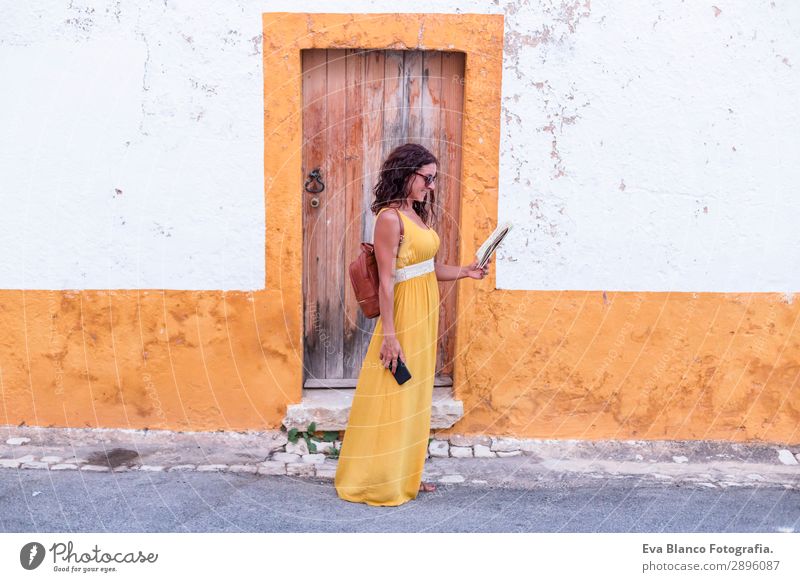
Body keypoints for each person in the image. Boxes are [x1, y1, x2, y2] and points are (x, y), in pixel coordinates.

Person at [334, 143, 492, 506]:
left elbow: (425, 269)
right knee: (394, 393)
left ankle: (407, 473)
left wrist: (465, 272)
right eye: (427, 178)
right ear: (407, 174)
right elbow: (387, 280)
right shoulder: (390, 218)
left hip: (423, 314)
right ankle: (379, 480)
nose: (431, 187)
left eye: (433, 179)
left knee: (416, 396)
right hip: (402, 317)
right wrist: (389, 336)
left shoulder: (416, 215)